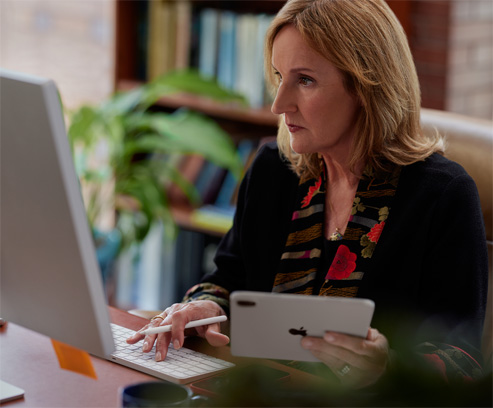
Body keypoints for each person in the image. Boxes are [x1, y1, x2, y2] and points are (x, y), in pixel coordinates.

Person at [127, 0, 488, 390]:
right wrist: (204, 306)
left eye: (304, 80)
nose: (278, 104)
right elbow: (228, 278)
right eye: (279, 76)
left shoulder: (443, 195)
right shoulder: (272, 169)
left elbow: (463, 361)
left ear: (367, 86)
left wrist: (388, 367)